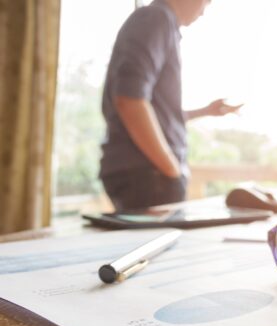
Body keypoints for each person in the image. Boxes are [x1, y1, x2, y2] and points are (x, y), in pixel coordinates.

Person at [99, 0, 241, 211]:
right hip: (148, 175)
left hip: (148, 173)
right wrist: (171, 168)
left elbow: (156, 113)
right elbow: (130, 100)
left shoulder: (159, 23)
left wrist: (206, 111)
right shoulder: (156, 19)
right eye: (206, 3)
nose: (203, 12)